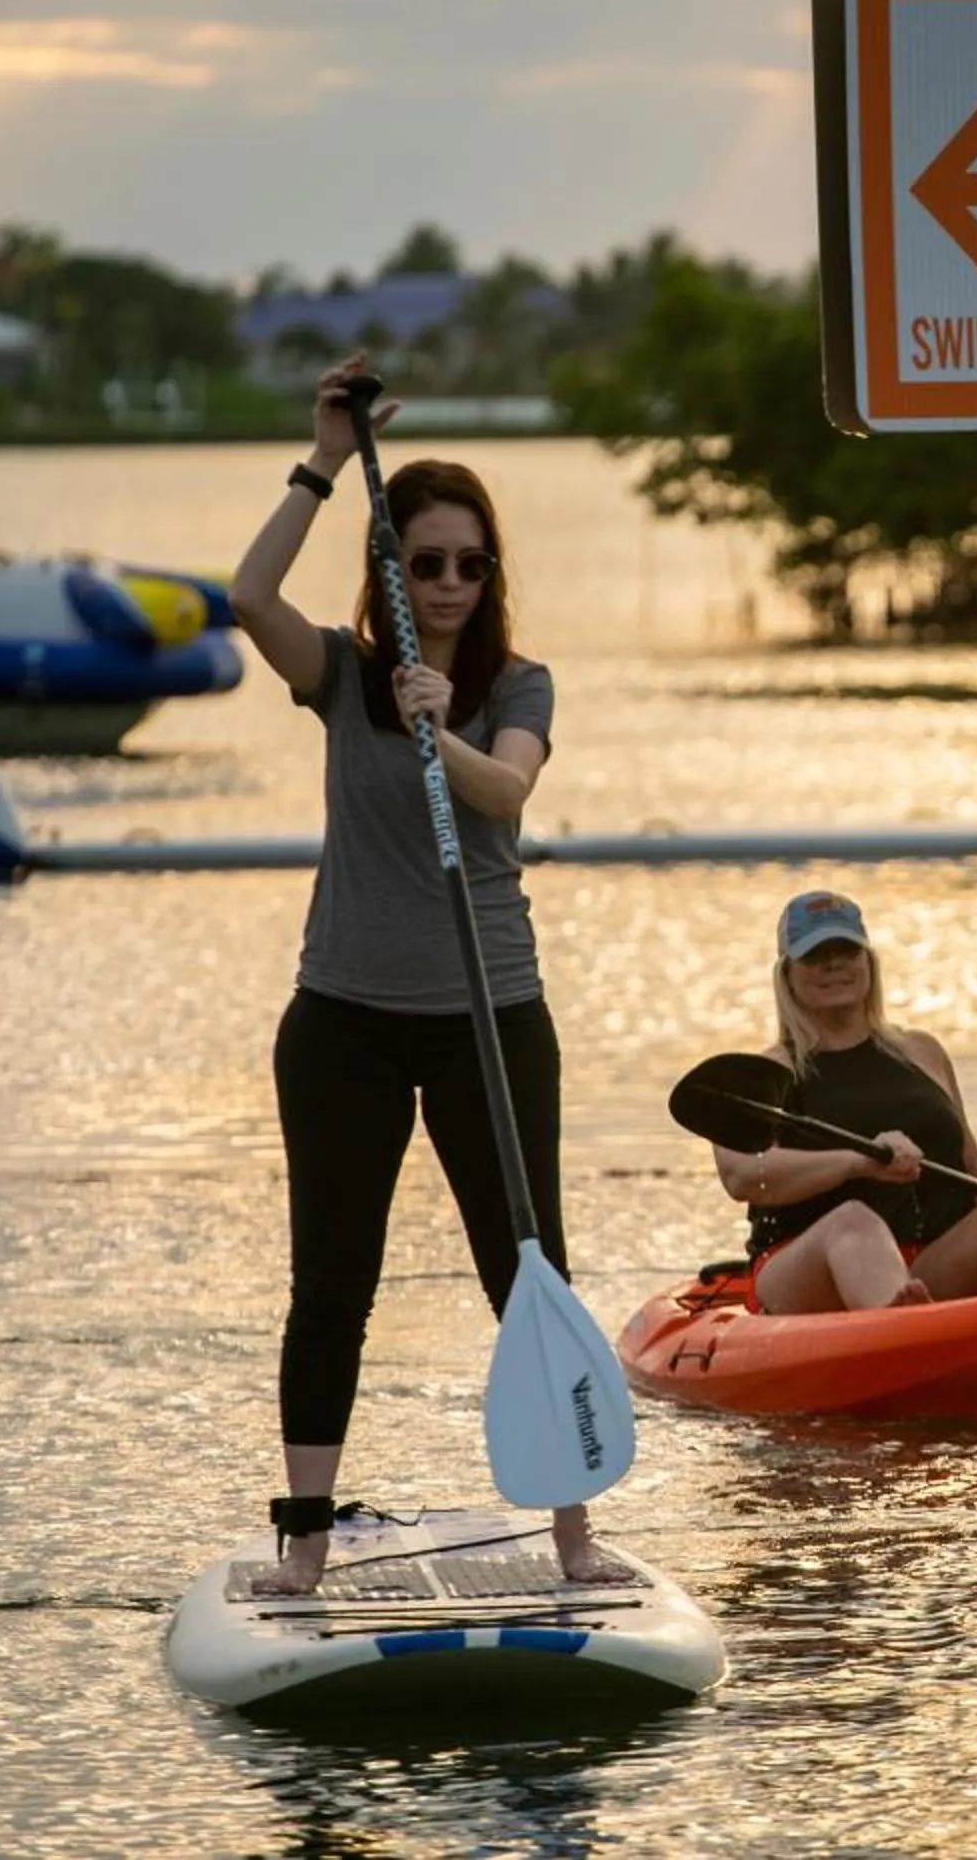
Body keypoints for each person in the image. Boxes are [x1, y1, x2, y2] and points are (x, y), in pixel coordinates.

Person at [226, 354, 629, 1594]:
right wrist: (326, 460)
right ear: (389, 571)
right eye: (424, 563)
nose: (448, 583)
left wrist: (436, 729)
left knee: (527, 1270)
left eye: (469, 564)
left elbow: (506, 790)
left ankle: (572, 1535)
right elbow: (246, 595)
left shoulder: (516, 684)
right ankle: (303, 1541)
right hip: (342, 1018)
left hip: (489, 1019)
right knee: (331, 1283)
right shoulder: (343, 677)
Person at [709, 890, 977, 1312]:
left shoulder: (922, 1052)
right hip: (804, 1270)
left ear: (868, 962)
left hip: (926, 1266)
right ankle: (903, 1326)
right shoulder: (762, 1075)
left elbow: (969, 1161)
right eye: (816, 954)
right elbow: (744, 1176)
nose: (834, 964)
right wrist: (856, 1163)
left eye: (846, 950)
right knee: (853, 1222)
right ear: (786, 974)